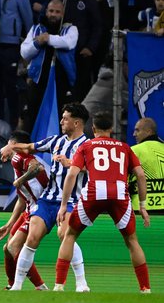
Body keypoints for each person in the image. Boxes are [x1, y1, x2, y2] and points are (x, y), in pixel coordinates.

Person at [54, 111, 151, 293]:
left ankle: (59, 286)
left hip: (94, 193)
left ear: (93, 128)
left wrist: (63, 205)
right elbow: (140, 175)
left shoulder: (86, 146)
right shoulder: (124, 147)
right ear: (112, 129)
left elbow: (72, 174)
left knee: (70, 235)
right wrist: (143, 206)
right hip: (119, 194)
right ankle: (145, 289)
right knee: (131, 240)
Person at [0, 102, 91, 292]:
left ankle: (81, 284)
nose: (61, 121)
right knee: (32, 238)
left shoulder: (87, 146)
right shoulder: (56, 141)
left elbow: (93, 169)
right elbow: (29, 148)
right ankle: (17, 286)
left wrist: (71, 164)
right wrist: (12, 147)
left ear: (76, 123)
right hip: (48, 199)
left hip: (72, 200)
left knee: (64, 235)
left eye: (65, 118)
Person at [0, 130, 48, 290]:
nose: (3, 148)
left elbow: (38, 168)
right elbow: (22, 199)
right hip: (30, 208)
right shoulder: (15, 161)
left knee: (13, 247)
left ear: (14, 145)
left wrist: (20, 180)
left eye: (7, 144)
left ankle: (40, 287)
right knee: (7, 249)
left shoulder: (19, 157)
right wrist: (9, 224)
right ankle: (11, 285)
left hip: (40, 208)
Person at [20, 0, 78, 133]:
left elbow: (69, 43)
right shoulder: (36, 29)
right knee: (32, 114)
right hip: (39, 79)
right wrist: (37, 43)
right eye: (51, 11)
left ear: (63, 13)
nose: (53, 14)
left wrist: (48, 39)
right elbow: (24, 52)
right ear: (46, 12)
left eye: (57, 12)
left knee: (63, 116)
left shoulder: (70, 29)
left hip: (62, 81)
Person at [55, 0, 102, 101]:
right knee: (61, 91)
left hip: (81, 53)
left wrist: (90, 47)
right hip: (61, 54)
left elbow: (97, 25)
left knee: (80, 91)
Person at [131, 117, 164, 212]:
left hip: (140, 208)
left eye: (137, 130)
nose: (134, 134)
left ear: (149, 131)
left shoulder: (133, 151)